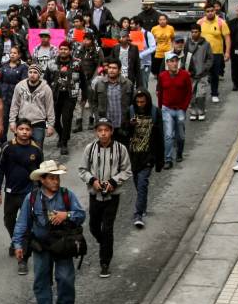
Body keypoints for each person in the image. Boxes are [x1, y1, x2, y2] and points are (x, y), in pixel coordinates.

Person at [12, 160, 87, 304]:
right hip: (41, 247)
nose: (56, 181)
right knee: (41, 281)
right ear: (42, 180)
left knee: (66, 279)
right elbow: (22, 223)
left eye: (57, 178)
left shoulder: (67, 195)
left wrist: (66, 215)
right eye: (52, 178)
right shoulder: (31, 198)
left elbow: (81, 215)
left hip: (63, 246)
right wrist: (18, 245)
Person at [77, 119, 132, 279]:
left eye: (106, 130)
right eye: (100, 130)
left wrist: (113, 182)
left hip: (112, 197)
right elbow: (82, 169)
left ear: (111, 131)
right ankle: (105, 244)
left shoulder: (120, 149)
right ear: (96, 132)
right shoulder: (90, 148)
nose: (103, 134)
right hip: (94, 195)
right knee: (93, 226)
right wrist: (92, 180)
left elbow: (127, 170)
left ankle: (105, 262)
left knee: (107, 229)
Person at [0, 119, 44, 275]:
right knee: (9, 221)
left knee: (25, 226)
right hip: (10, 193)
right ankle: (15, 241)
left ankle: (22, 260)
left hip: (29, 194)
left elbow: (41, 173)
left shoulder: (36, 150)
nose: (24, 132)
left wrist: (41, 194)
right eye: (21, 129)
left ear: (31, 131)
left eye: (27, 129)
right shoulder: (7, 147)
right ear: (15, 130)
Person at [124, 91, 164, 228]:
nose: (140, 104)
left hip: (148, 155)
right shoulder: (130, 111)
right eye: (138, 102)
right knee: (138, 183)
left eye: (143, 102)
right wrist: (130, 125)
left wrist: (160, 160)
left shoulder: (155, 112)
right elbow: (123, 132)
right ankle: (143, 205)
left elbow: (160, 136)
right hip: (133, 156)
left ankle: (138, 214)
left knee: (142, 183)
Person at [156, 51, 192, 169]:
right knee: (168, 135)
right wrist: (160, 108)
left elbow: (189, 92)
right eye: (171, 61)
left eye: (176, 61)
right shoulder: (162, 76)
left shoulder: (185, 75)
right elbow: (160, 93)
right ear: (167, 63)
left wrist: (184, 107)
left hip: (180, 109)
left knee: (180, 135)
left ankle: (179, 152)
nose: (174, 63)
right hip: (167, 108)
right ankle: (168, 159)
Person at [45, 41, 81, 156]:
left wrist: (85, 95)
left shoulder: (77, 63)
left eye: (65, 49)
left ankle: (64, 143)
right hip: (55, 95)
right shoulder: (51, 63)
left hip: (70, 96)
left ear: (70, 51)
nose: (63, 51)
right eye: (61, 49)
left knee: (66, 119)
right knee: (54, 121)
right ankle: (62, 135)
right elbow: (46, 80)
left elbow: (83, 80)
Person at [9, 64, 56, 151]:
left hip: (38, 123)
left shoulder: (46, 89)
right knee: (20, 149)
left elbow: (50, 108)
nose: (32, 74)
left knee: (37, 150)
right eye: (30, 72)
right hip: (23, 122)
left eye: (35, 72)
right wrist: (12, 121)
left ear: (39, 74)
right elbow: (14, 105)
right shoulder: (20, 86)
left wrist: (51, 125)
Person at [88, 59, 135, 138]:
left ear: (119, 70)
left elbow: (132, 103)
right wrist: (97, 117)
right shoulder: (99, 84)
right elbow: (94, 102)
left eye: (114, 68)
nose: (111, 70)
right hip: (106, 125)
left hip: (122, 125)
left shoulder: (128, 84)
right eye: (110, 67)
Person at [197, 6, 231, 103]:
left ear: (215, 11)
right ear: (205, 12)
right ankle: (199, 94)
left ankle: (214, 94)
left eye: (212, 11)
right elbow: (195, 37)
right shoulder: (200, 22)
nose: (210, 13)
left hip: (216, 53)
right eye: (208, 11)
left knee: (215, 75)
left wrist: (227, 52)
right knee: (200, 74)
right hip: (203, 53)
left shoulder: (221, 22)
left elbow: (227, 38)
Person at [183, 24, 214, 121]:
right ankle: (193, 111)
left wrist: (205, 68)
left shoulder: (206, 44)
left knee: (201, 94)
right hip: (191, 74)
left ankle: (201, 111)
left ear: (200, 32)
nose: (194, 34)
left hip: (202, 74)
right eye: (192, 32)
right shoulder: (187, 44)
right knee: (191, 93)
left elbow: (210, 58)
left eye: (196, 32)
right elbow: (184, 57)